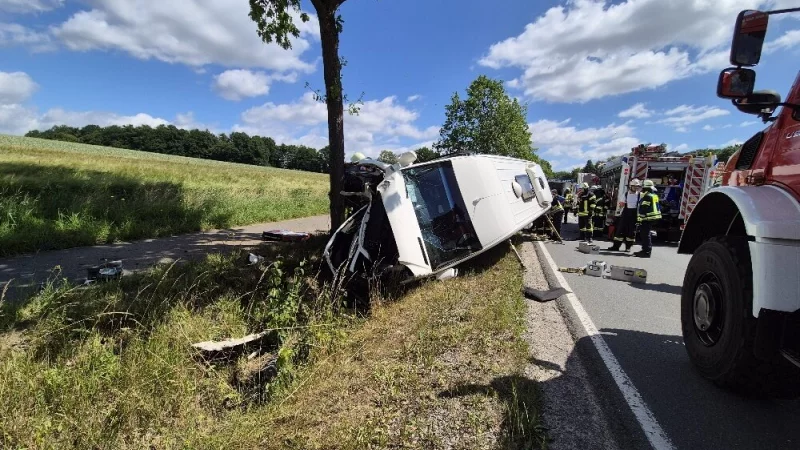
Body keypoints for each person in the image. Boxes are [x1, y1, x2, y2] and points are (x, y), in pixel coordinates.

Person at [607, 179, 641, 252]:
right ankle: (616, 246)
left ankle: (628, 247)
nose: (636, 188)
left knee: (631, 232)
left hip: (634, 215)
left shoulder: (639, 195)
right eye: (634, 186)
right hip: (625, 214)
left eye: (637, 187)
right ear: (630, 186)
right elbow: (621, 204)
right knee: (620, 230)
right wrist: (618, 214)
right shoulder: (626, 194)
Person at [634, 179, 662, 258]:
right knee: (646, 234)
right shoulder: (653, 195)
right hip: (652, 218)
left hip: (647, 218)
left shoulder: (647, 197)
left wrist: (639, 220)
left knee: (645, 235)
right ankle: (645, 250)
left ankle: (646, 252)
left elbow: (643, 209)